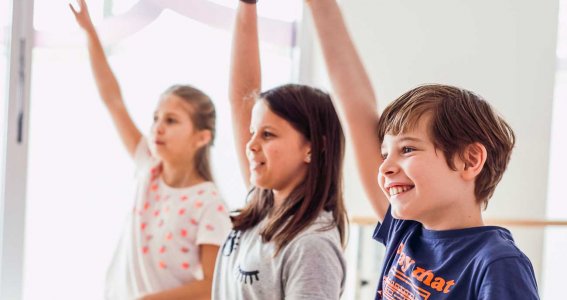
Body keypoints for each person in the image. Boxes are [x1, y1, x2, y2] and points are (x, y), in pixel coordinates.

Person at [306, 0, 540, 299]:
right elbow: (353, 102)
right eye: (384, 153)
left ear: (470, 160)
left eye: (407, 149)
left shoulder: (497, 263)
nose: (385, 167)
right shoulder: (404, 231)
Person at [69, 1, 232, 299]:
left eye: (171, 121)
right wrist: (91, 33)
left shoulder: (209, 204)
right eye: (156, 117)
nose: (157, 127)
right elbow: (113, 100)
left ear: (201, 137)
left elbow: (212, 288)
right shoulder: (148, 165)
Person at [211, 1, 347, 299]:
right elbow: (241, 98)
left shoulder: (312, 245)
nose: (251, 145)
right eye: (252, 133)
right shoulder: (264, 205)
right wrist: (247, 5)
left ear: (314, 147)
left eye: (268, 135)